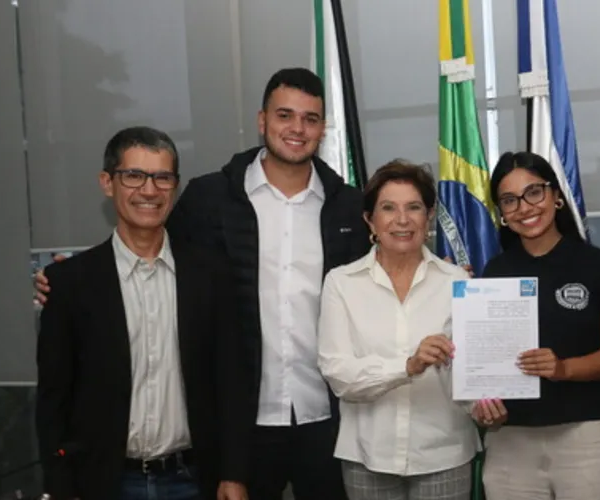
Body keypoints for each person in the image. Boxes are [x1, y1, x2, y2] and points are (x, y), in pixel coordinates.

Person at [35, 68, 369, 500]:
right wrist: (72, 277)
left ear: (323, 128)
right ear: (262, 120)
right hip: (240, 426)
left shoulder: (349, 208)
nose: (297, 128)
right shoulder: (209, 198)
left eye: (310, 118)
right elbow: (146, 242)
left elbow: (379, 281)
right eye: (285, 115)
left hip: (326, 419)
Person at [35, 126, 252, 500]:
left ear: (175, 187)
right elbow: (53, 399)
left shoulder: (211, 274)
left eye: (162, 178)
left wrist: (234, 474)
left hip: (193, 479)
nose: (149, 190)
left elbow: (230, 381)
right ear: (108, 183)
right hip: (106, 483)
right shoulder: (70, 283)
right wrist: (60, 486)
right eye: (134, 176)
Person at [471, 151, 600, 500]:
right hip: (511, 440)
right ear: (501, 213)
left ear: (556, 195)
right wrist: (484, 402)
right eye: (509, 200)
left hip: (586, 436)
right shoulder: (494, 272)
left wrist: (563, 368)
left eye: (534, 192)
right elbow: (488, 359)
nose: (524, 207)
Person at [317, 161, 481, 500]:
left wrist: (487, 403)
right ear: (369, 220)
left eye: (414, 207)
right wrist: (408, 366)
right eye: (388, 208)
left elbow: (469, 373)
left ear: (429, 216)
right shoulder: (341, 283)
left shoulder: (458, 282)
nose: (402, 220)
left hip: (444, 453)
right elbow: (339, 375)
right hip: (367, 454)